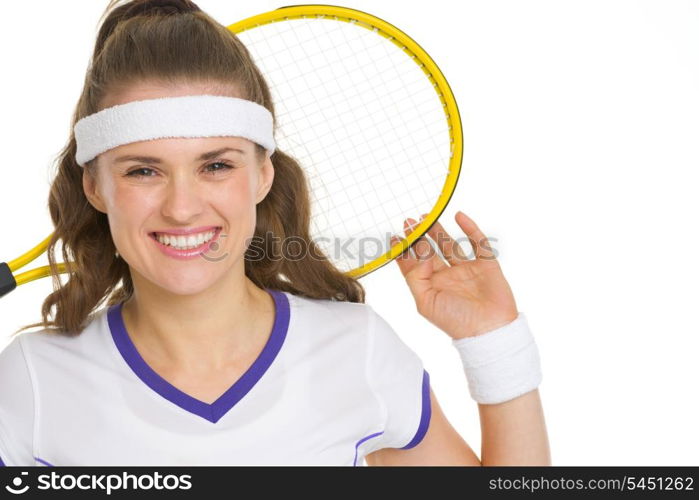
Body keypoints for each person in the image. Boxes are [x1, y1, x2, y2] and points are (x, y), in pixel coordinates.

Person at [0, 0, 550, 466]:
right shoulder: (31, 377)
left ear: (262, 175)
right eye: (143, 170)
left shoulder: (355, 348)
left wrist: (495, 343)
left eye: (216, 165)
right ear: (94, 186)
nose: (183, 207)